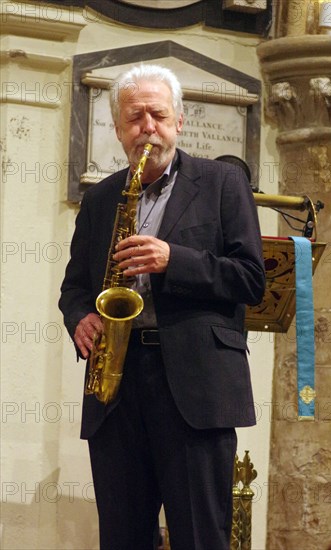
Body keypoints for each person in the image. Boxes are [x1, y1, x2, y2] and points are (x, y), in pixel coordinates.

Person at [59, 64, 265, 550]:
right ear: (118, 128)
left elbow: (252, 279)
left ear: (180, 121)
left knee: (199, 537)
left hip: (196, 389)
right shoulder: (102, 198)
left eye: (158, 114)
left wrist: (175, 260)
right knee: (123, 538)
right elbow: (73, 288)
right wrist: (80, 318)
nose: (147, 127)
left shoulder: (221, 183)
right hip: (116, 390)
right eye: (135, 118)